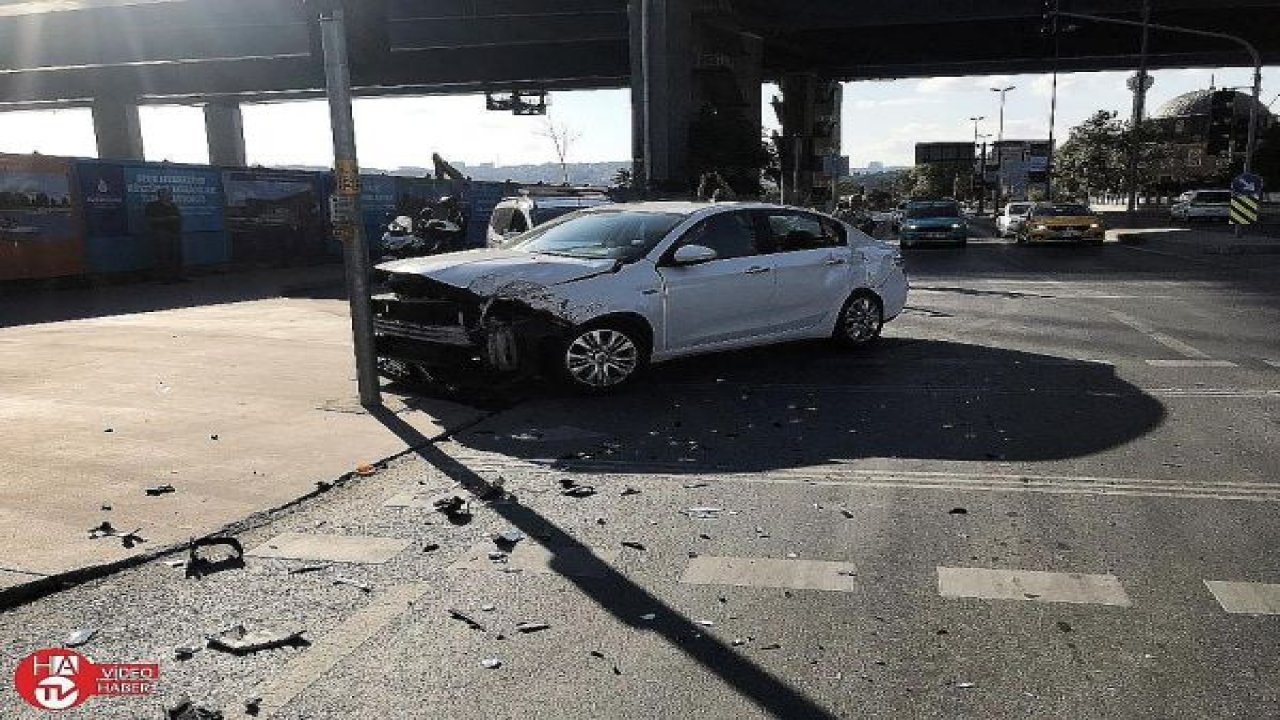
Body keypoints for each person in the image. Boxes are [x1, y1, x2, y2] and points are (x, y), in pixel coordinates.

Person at [145, 189, 184, 282]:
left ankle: (178, 276)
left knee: (177, 255)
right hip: (161, 233)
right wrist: (167, 218)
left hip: (175, 233)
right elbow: (150, 220)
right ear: (160, 195)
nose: (169, 195)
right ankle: (165, 277)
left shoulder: (173, 205)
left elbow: (179, 217)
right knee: (164, 255)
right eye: (167, 194)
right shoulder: (152, 206)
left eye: (169, 194)